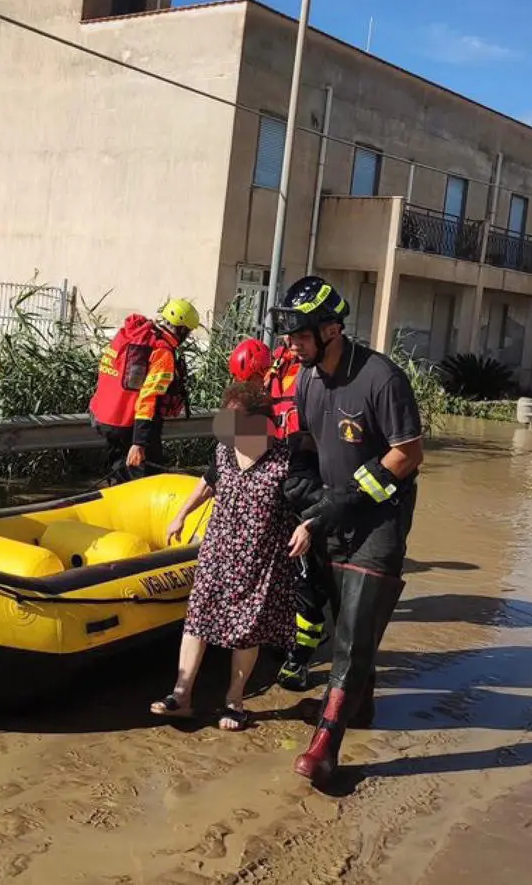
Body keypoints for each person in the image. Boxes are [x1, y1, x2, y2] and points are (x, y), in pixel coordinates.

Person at [270, 274, 424, 786]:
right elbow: (311, 443)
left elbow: (408, 453)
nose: (290, 344)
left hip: (380, 519)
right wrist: (300, 480)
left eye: (300, 334)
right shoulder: (306, 380)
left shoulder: (382, 378)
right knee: (346, 623)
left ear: (332, 330)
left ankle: (325, 744)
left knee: (353, 635)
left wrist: (352, 495)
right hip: (332, 516)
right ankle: (361, 706)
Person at [149, 380, 305, 729]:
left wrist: (306, 526)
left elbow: (308, 500)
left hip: (260, 558)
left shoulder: (285, 460)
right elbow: (207, 483)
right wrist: (181, 514)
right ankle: (181, 695)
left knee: (247, 629)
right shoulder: (224, 451)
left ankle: (234, 702)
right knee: (198, 617)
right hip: (218, 549)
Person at [228, 336, 327, 692]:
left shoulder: (305, 376)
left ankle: (299, 658)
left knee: (308, 578)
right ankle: (277, 638)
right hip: (280, 486)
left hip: (306, 483)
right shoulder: (272, 379)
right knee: (282, 573)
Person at [88, 298, 199, 482]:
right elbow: (149, 397)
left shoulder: (132, 334)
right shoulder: (162, 351)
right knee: (146, 479)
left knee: (119, 475)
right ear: (181, 329)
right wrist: (139, 442)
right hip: (132, 424)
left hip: (105, 419)